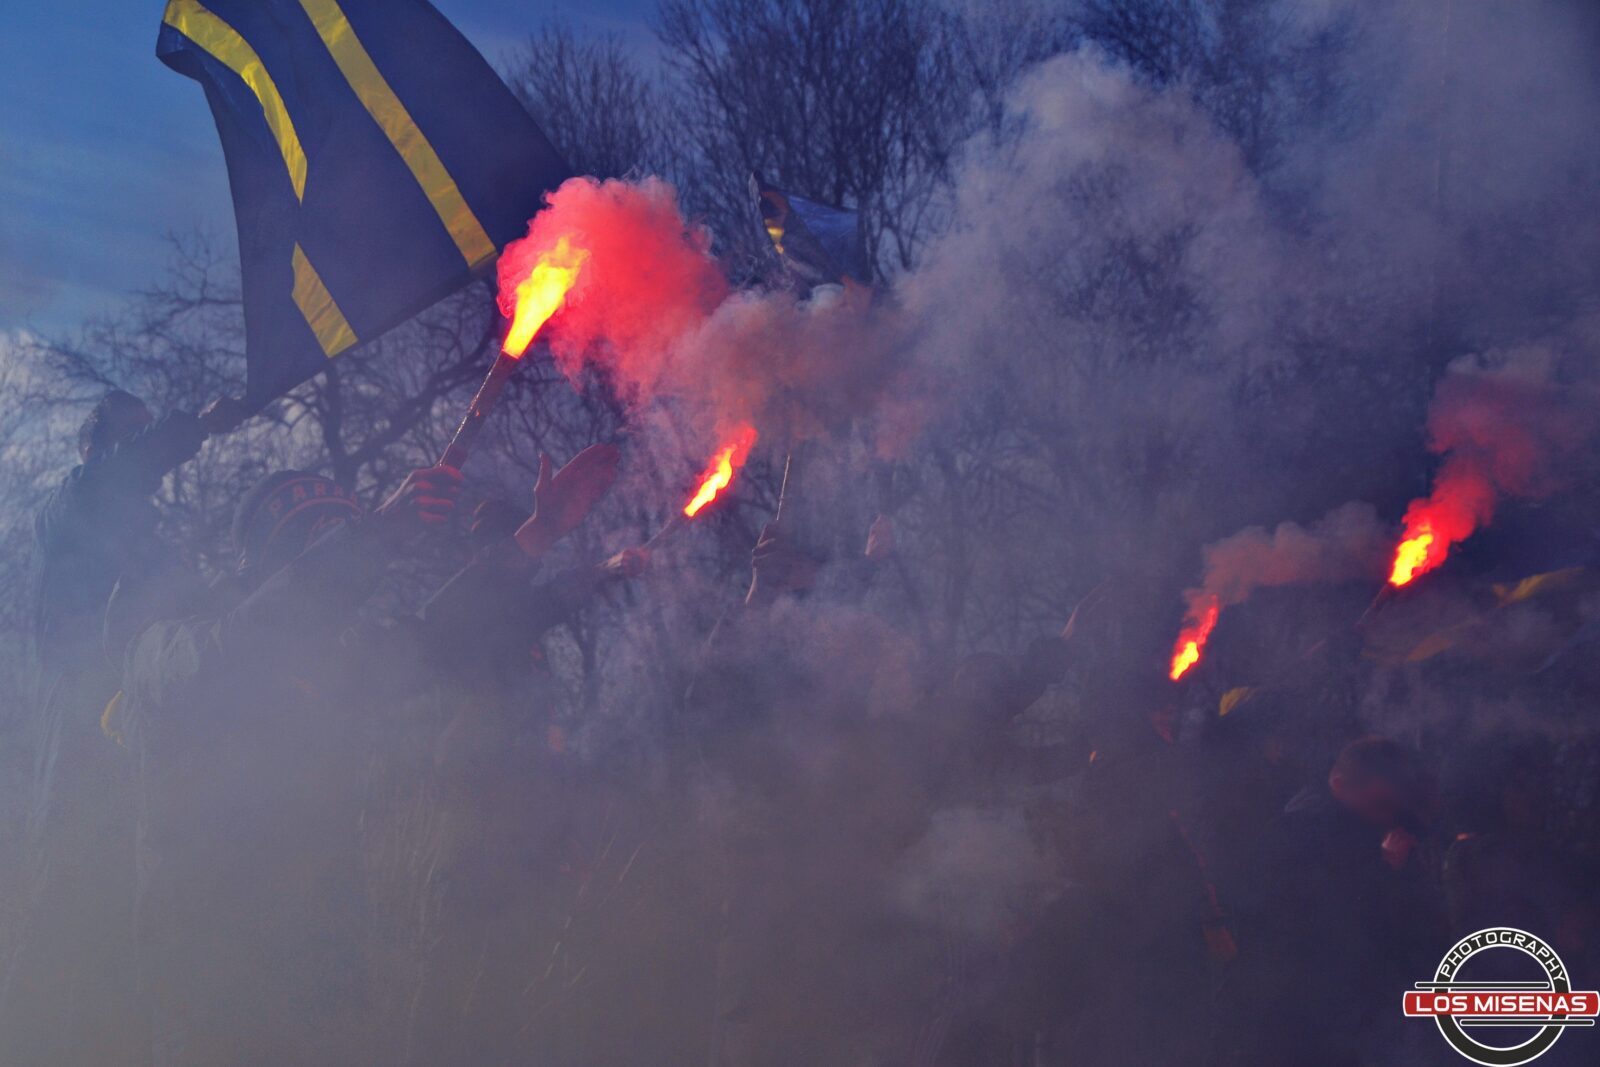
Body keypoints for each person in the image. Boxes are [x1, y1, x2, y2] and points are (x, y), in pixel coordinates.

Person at [115, 447, 619, 1066]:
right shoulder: (166, 648)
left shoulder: (333, 668)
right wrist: (374, 535)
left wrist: (531, 545)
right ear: (274, 560)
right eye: (322, 552)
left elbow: (436, 635)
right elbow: (235, 653)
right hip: (202, 1006)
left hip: (312, 1005)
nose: (346, 593)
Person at [0, 390, 243, 1067]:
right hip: (80, 746)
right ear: (93, 447)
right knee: (62, 919)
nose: (144, 464)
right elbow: (112, 478)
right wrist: (190, 424)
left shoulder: (148, 553)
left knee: (132, 950)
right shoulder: (68, 509)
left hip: (142, 759)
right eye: (129, 442)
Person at [1222, 736, 1446, 1067]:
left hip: (1353, 1005)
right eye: (1379, 805)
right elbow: (1312, 915)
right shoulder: (1303, 830)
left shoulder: (1356, 819)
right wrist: (1382, 866)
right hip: (1306, 1007)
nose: (1386, 817)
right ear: (1340, 786)